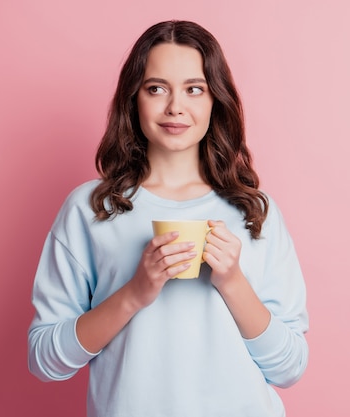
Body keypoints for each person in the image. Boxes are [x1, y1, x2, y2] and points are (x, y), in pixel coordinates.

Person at [27, 20, 308, 417]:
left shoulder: (254, 212)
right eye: (156, 88)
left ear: (215, 100)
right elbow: (44, 360)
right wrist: (134, 293)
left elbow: (290, 367)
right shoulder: (90, 209)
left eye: (195, 89)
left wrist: (233, 282)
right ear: (133, 99)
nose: (175, 106)